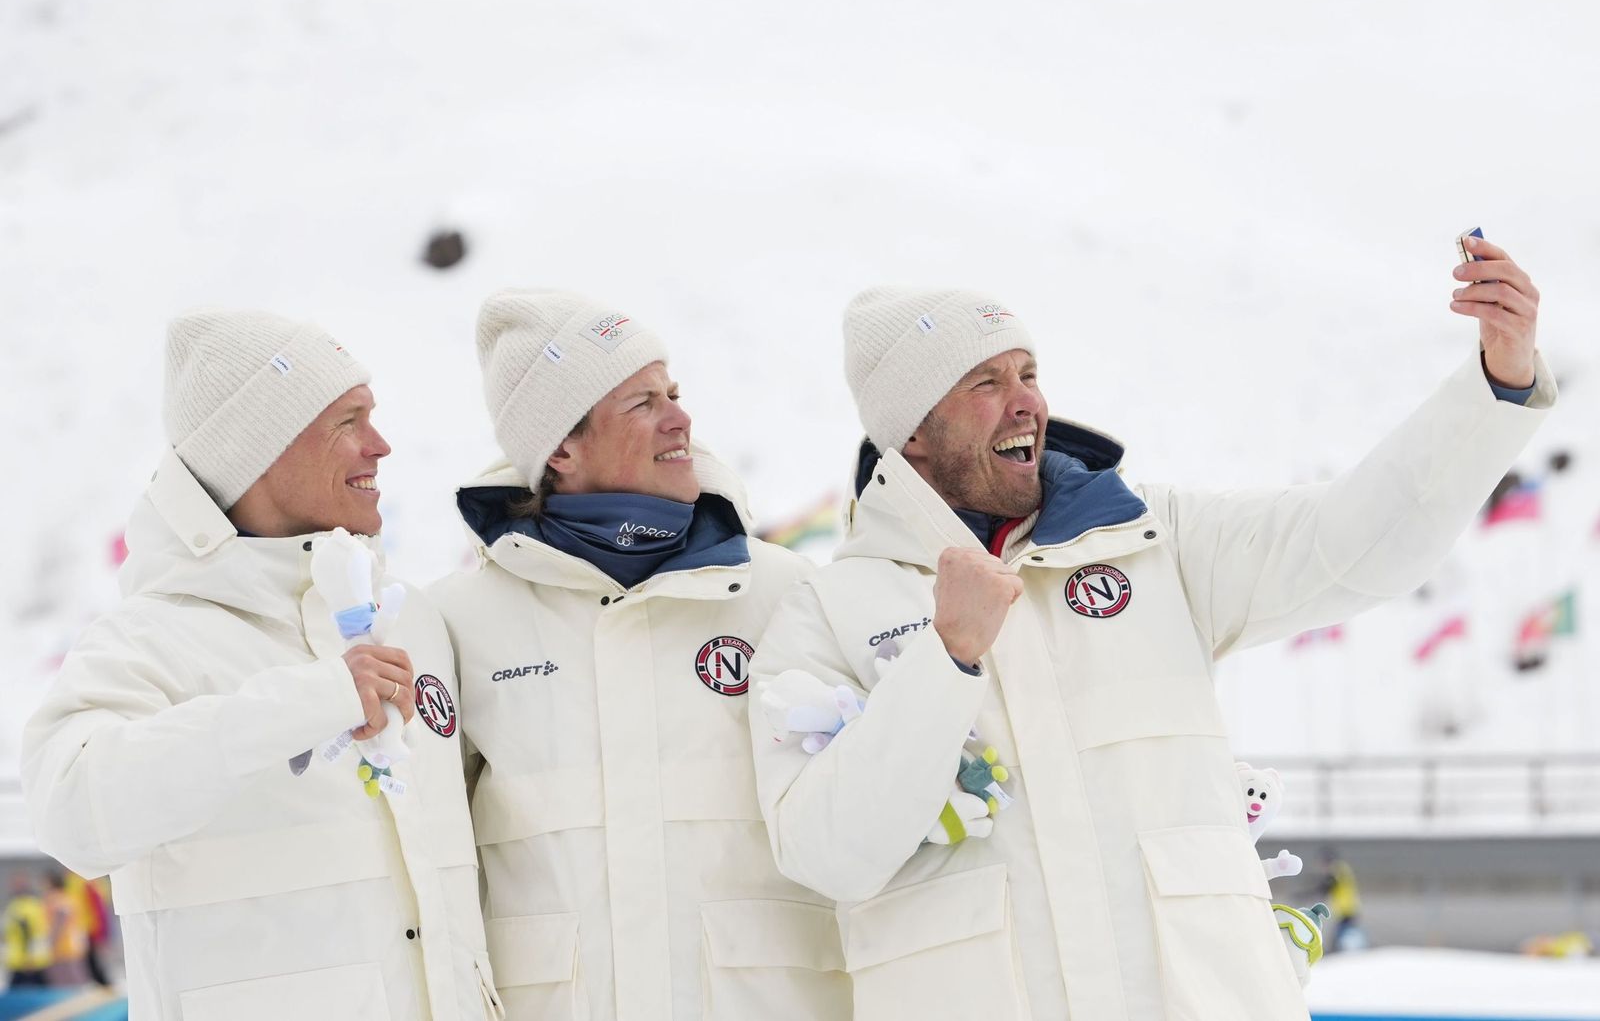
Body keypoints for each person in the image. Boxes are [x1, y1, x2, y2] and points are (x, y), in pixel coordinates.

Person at [749, 235, 1553, 1020]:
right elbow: (826, 858)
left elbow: (1352, 543)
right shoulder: (828, 614)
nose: (1027, 398)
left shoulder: (1156, 541)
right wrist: (946, 660)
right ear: (913, 432)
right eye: (986, 382)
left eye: (1028, 372)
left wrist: (1496, 384)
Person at [23, 311, 500, 1019]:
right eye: (349, 421)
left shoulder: (412, 621)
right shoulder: (150, 640)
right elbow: (71, 815)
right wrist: (308, 704)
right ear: (264, 450)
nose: (381, 445)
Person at [429, 290, 848, 1021]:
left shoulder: (782, 592)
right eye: (643, 403)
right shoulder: (458, 622)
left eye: (675, 394)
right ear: (560, 447)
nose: (682, 419)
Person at [4, 873, 51, 988]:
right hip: (23, 960)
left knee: (25, 992)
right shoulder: (21, 904)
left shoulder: (25, 906)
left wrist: (28, 959)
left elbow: (28, 934)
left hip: (26, 962)